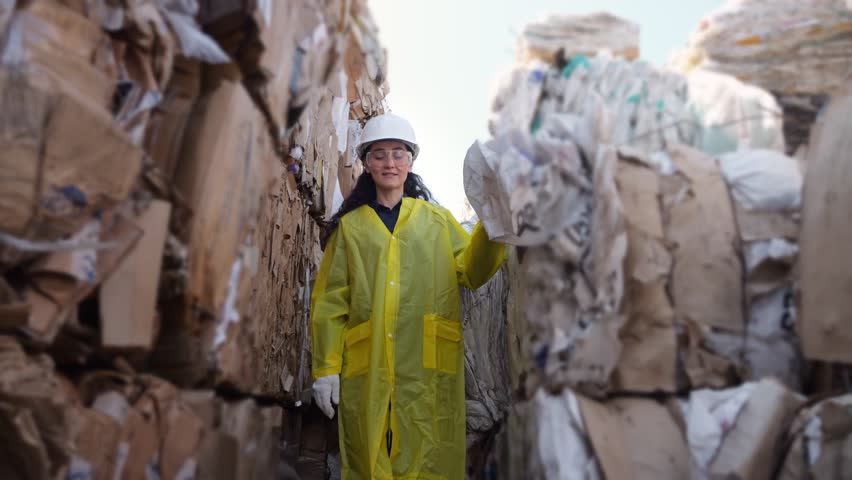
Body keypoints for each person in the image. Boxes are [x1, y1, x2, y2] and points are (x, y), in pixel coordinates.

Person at [309, 113, 506, 479]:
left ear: (410, 161)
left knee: (429, 455)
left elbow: (473, 271)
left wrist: (493, 226)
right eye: (379, 155)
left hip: (425, 365)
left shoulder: (435, 220)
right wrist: (326, 369)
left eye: (398, 154)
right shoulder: (351, 229)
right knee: (368, 458)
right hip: (367, 369)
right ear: (366, 163)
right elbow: (331, 302)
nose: (389, 163)